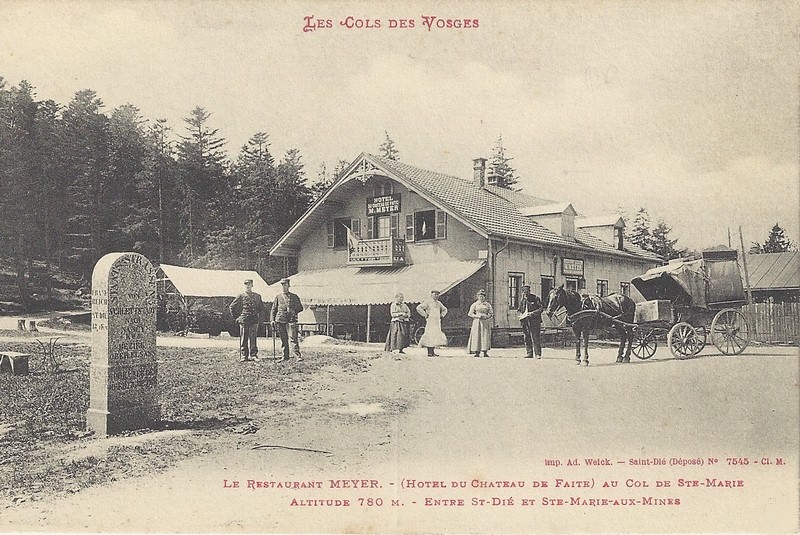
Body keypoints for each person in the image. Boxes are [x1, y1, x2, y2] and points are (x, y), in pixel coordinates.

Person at [229, 278, 266, 362]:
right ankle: (244, 355)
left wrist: (259, 318)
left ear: (252, 285)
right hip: (244, 320)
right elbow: (232, 307)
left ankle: (253, 355)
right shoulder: (241, 296)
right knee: (244, 338)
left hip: (254, 320)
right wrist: (237, 317)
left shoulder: (257, 296)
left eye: (249, 284)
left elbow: (261, 308)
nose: (247, 286)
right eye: (246, 284)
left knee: (253, 338)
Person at [271, 278, 304, 362]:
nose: (284, 287)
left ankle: (297, 356)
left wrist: (293, 310)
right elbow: (274, 309)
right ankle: (285, 356)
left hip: (291, 320)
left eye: (285, 285)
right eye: (282, 285)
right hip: (280, 319)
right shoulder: (278, 297)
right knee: (283, 339)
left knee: (293, 339)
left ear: (289, 285)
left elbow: (300, 308)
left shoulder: (294, 297)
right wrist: (272, 320)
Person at [416, 290, 448, 357]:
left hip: (437, 322)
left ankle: (432, 352)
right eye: (435, 294)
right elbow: (419, 308)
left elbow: (445, 309)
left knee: (435, 336)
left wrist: (442, 315)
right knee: (429, 335)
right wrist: (425, 314)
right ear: (431, 295)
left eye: (437, 294)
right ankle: (429, 352)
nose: (436, 296)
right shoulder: (428, 302)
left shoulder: (439, 303)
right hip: (430, 321)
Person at [518, 284, 544, 358]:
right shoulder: (523, 300)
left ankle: (537, 354)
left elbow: (541, 308)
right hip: (525, 321)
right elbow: (520, 309)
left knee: (535, 337)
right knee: (526, 337)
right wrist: (520, 314)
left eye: (526, 292)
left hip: (534, 321)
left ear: (529, 291)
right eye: (523, 292)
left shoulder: (535, 298)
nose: (524, 293)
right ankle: (529, 353)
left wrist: (532, 313)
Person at [467, 289, 493, 357]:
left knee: (485, 336)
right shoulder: (475, 304)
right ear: (478, 297)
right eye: (480, 296)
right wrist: (477, 316)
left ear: (485, 297)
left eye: (483, 296)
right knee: (477, 335)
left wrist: (487, 316)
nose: (481, 298)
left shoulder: (487, 305)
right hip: (477, 322)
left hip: (485, 322)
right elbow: (470, 313)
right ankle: (477, 352)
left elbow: (491, 313)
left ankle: (485, 351)